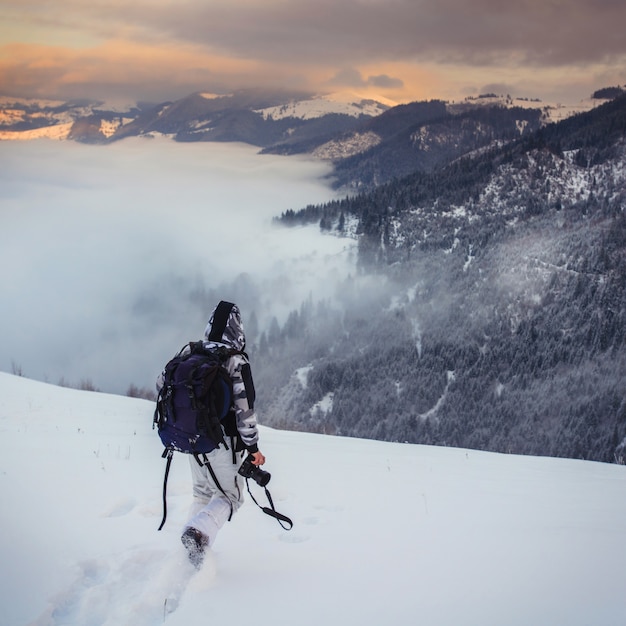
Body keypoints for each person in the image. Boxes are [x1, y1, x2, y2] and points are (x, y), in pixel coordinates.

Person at [160, 300, 265, 567]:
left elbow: (161, 384)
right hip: (223, 441)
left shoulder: (189, 351)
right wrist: (253, 449)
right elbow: (244, 410)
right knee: (230, 497)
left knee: (202, 494)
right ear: (237, 330)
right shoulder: (235, 361)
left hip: (191, 437)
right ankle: (198, 535)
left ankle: (193, 556)